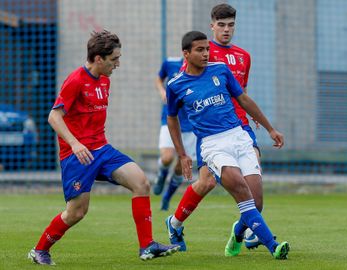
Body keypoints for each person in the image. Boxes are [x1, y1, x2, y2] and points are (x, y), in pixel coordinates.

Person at [27, 30, 179, 266]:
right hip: (77, 156)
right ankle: (39, 250)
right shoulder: (75, 80)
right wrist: (75, 144)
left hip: (102, 149)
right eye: (114, 59)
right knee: (76, 212)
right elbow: (54, 117)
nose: (118, 64)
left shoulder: (105, 80)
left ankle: (147, 246)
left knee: (141, 183)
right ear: (98, 58)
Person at [166, 30, 289, 260]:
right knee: (237, 190)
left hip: (239, 136)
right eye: (200, 50)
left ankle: (238, 231)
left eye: (207, 49)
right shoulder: (176, 85)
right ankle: (274, 245)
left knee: (257, 202)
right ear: (186, 54)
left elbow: (243, 99)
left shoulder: (220, 70)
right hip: (213, 145)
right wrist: (182, 154)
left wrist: (270, 128)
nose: (206, 54)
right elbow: (171, 118)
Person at [153, 57, 196, 211]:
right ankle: (161, 175)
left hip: (190, 126)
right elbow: (159, 79)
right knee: (167, 157)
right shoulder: (170, 63)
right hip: (170, 119)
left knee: (181, 166)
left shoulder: (202, 70)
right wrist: (162, 92)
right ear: (186, 51)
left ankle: (167, 197)